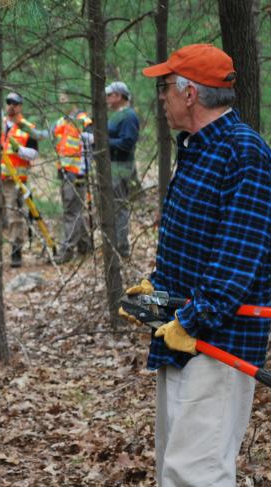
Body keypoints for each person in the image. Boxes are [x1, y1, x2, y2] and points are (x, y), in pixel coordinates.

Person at [121, 44, 271, 486]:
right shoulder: (198, 148)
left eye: (164, 87)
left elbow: (235, 261)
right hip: (182, 337)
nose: (161, 97)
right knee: (175, 466)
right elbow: (194, 247)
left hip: (217, 344)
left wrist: (191, 320)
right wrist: (156, 297)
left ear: (189, 94)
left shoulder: (244, 154)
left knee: (197, 474)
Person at [51, 92, 93, 264]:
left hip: (77, 172)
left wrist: (85, 168)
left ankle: (67, 250)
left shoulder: (83, 119)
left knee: (71, 211)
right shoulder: (61, 121)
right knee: (74, 210)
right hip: (64, 171)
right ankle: (85, 245)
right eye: (59, 99)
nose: (61, 103)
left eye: (64, 99)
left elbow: (93, 140)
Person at [0, 91, 39, 267]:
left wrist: (19, 150)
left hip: (15, 180)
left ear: (20, 106)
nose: (11, 106)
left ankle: (16, 251)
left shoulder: (27, 127)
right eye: (8, 102)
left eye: (14, 103)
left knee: (15, 216)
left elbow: (34, 154)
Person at [105, 81, 139, 258]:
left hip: (121, 167)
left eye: (109, 95)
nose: (107, 99)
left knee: (119, 206)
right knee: (114, 205)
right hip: (114, 166)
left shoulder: (128, 116)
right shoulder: (119, 115)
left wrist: (102, 141)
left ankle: (121, 247)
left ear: (118, 96)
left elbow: (128, 142)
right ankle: (115, 244)